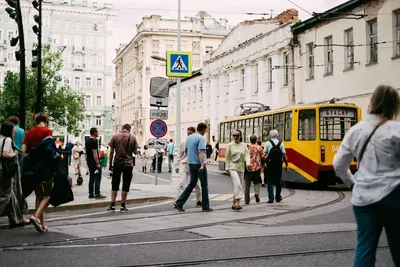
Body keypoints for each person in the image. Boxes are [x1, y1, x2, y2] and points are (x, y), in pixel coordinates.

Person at [333, 85, 400, 267]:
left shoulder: (355, 130)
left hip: (363, 199)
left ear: (372, 102)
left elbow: (338, 164)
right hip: (394, 195)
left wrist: (352, 183)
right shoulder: (396, 129)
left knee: (365, 247)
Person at [21, 113, 55, 233]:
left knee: (39, 195)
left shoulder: (29, 132)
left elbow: (23, 150)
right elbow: (50, 150)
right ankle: (35, 216)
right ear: (45, 121)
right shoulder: (47, 132)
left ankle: (42, 224)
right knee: (48, 194)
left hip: (33, 168)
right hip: (45, 167)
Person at [174, 122, 212, 212]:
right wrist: (202, 164)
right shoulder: (201, 138)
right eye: (205, 130)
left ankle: (179, 202)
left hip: (190, 163)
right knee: (204, 185)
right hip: (198, 163)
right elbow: (201, 151)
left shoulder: (189, 138)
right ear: (202, 130)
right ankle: (205, 206)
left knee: (192, 183)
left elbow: (186, 151)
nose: (205, 132)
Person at [0, 120, 29, 228]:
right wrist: (15, 153)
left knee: (11, 196)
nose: (14, 133)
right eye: (13, 131)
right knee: (6, 194)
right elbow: (5, 154)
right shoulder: (7, 139)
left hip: (1, 169)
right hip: (5, 170)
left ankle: (15, 220)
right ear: (9, 131)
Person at [108, 124, 138, 212]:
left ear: (122, 128)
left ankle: (112, 205)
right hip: (128, 164)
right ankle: (123, 205)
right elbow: (135, 152)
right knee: (126, 184)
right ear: (129, 129)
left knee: (115, 183)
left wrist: (110, 164)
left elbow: (111, 152)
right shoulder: (132, 137)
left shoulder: (115, 136)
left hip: (117, 163)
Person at [176, 127, 202, 207]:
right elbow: (179, 155)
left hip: (193, 165)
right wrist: (177, 165)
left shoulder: (197, 142)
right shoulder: (183, 143)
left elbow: (200, 153)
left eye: (190, 133)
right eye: (188, 133)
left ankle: (199, 201)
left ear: (194, 134)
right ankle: (179, 201)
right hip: (185, 165)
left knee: (197, 184)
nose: (189, 135)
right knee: (181, 183)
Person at [225, 130, 250, 210]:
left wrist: (248, 164)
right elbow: (227, 158)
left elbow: (247, 155)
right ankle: (238, 203)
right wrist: (227, 168)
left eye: (237, 135)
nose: (235, 137)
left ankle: (233, 203)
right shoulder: (230, 145)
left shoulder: (244, 145)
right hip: (232, 167)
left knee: (238, 185)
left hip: (241, 168)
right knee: (238, 184)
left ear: (240, 136)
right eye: (234, 136)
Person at [264, 130, 289, 204]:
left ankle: (271, 198)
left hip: (270, 165)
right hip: (278, 165)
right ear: (277, 135)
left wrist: (264, 162)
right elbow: (284, 156)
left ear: (270, 135)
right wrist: (287, 165)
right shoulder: (281, 144)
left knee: (270, 181)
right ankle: (278, 197)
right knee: (278, 181)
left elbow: (265, 155)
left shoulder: (267, 143)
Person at [85, 128, 106, 200]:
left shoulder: (87, 140)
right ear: (94, 133)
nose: (98, 133)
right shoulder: (94, 141)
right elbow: (94, 153)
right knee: (97, 177)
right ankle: (97, 193)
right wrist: (98, 163)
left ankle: (91, 194)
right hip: (94, 163)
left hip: (90, 162)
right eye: (97, 132)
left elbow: (87, 153)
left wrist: (87, 161)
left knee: (91, 178)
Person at [245, 135, 264, 205]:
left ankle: (247, 199)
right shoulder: (259, 148)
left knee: (247, 183)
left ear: (250, 140)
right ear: (256, 140)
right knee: (256, 182)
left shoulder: (247, 148)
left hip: (249, 167)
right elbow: (262, 156)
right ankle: (256, 194)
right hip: (257, 167)